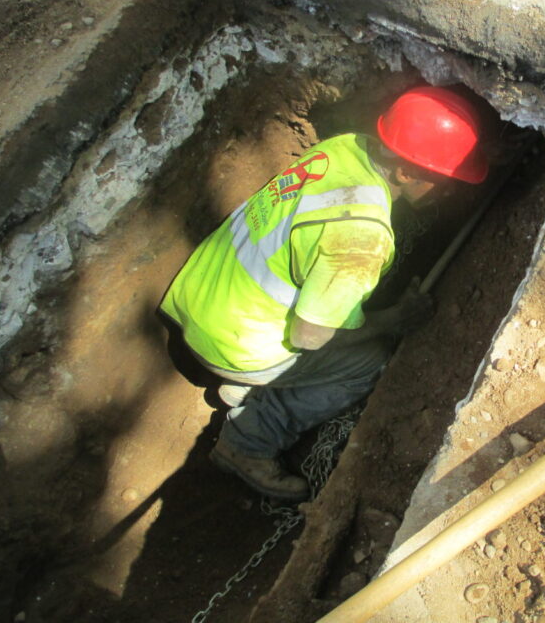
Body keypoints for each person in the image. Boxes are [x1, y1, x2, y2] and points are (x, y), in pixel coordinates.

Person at [160, 86, 488, 499]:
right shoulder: (361, 238)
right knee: (367, 363)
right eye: (444, 179)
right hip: (235, 345)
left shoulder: (344, 148)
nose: (451, 189)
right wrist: (392, 321)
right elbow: (308, 337)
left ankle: (248, 386)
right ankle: (247, 443)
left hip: (197, 298)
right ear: (405, 173)